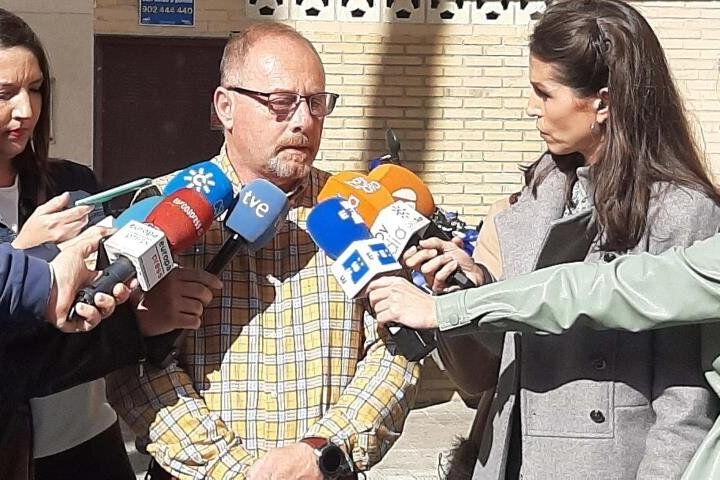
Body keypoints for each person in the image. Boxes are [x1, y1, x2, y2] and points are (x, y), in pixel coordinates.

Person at [369, 0, 720, 478]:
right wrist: (473, 287)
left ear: (603, 101)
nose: (531, 107)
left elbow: (686, 405)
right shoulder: (542, 193)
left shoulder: (681, 211)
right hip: (507, 455)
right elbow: (493, 367)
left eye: (544, 93)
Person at [107, 22, 419, 480]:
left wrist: (323, 451)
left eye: (316, 102)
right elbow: (132, 368)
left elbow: (396, 350)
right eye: (280, 101)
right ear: (225, 106)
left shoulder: (358, 208)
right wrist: (233, 472)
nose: (303, 121)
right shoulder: (165, 208)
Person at [0, 8, 214, 480]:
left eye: (35, 88)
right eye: (4, 93)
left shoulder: (72, 185)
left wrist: (149, 294)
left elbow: (113, 302)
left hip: (92, 440)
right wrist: (27, 261)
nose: (26, 110)